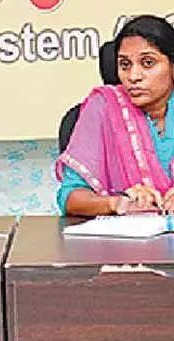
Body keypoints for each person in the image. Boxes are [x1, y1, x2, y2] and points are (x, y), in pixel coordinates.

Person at [57, 14, 174, 215]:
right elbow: (70, 197)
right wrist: (117, 203)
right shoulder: (102, 107)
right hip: (129, 233)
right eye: (125, 65)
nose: (133, 76)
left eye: (147, 63)